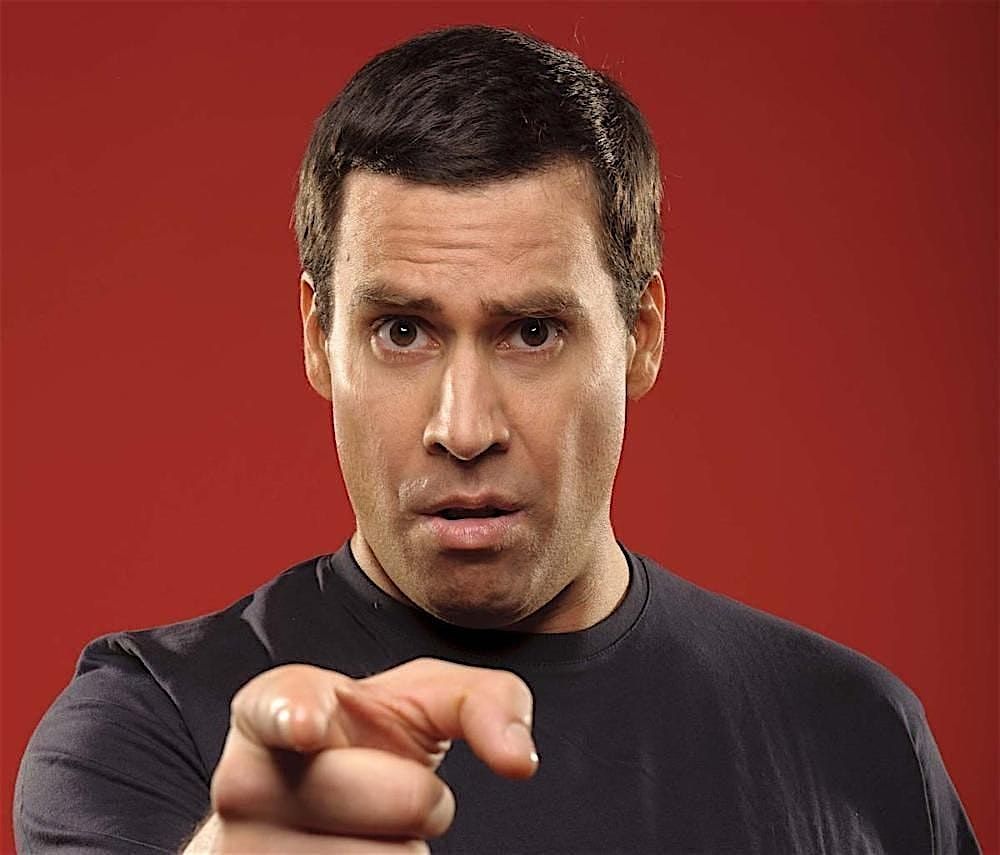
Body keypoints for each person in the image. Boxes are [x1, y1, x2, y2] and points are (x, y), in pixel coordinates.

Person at [15, 24, 980, 855]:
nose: (464, 428)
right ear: (318, 340)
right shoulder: (146, 728)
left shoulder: (858, 735)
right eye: (402, 331)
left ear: (641, 336)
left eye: (533, 331)